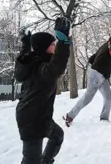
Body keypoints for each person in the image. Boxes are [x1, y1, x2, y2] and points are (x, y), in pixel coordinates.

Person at [14, 17, 71, 164]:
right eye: (53, 44)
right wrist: (64, 43)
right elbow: (56, 68)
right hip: (31, 120)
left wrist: (26, 44)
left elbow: (23, 58)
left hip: (40, 117)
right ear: (44, 47)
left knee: (57, 136)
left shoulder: (33, 60)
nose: (55, 46)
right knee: (31, 160)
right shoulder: (41, 67)